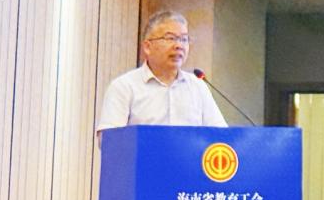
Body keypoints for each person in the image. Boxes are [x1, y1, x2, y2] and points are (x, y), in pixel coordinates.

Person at [96, 10, 226, 134]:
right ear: (148, 47)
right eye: (170, 38)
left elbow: (221, 136)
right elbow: (109, 139)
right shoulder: (124, 87)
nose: (179, 46)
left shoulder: (197, 86)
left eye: (184, 39)